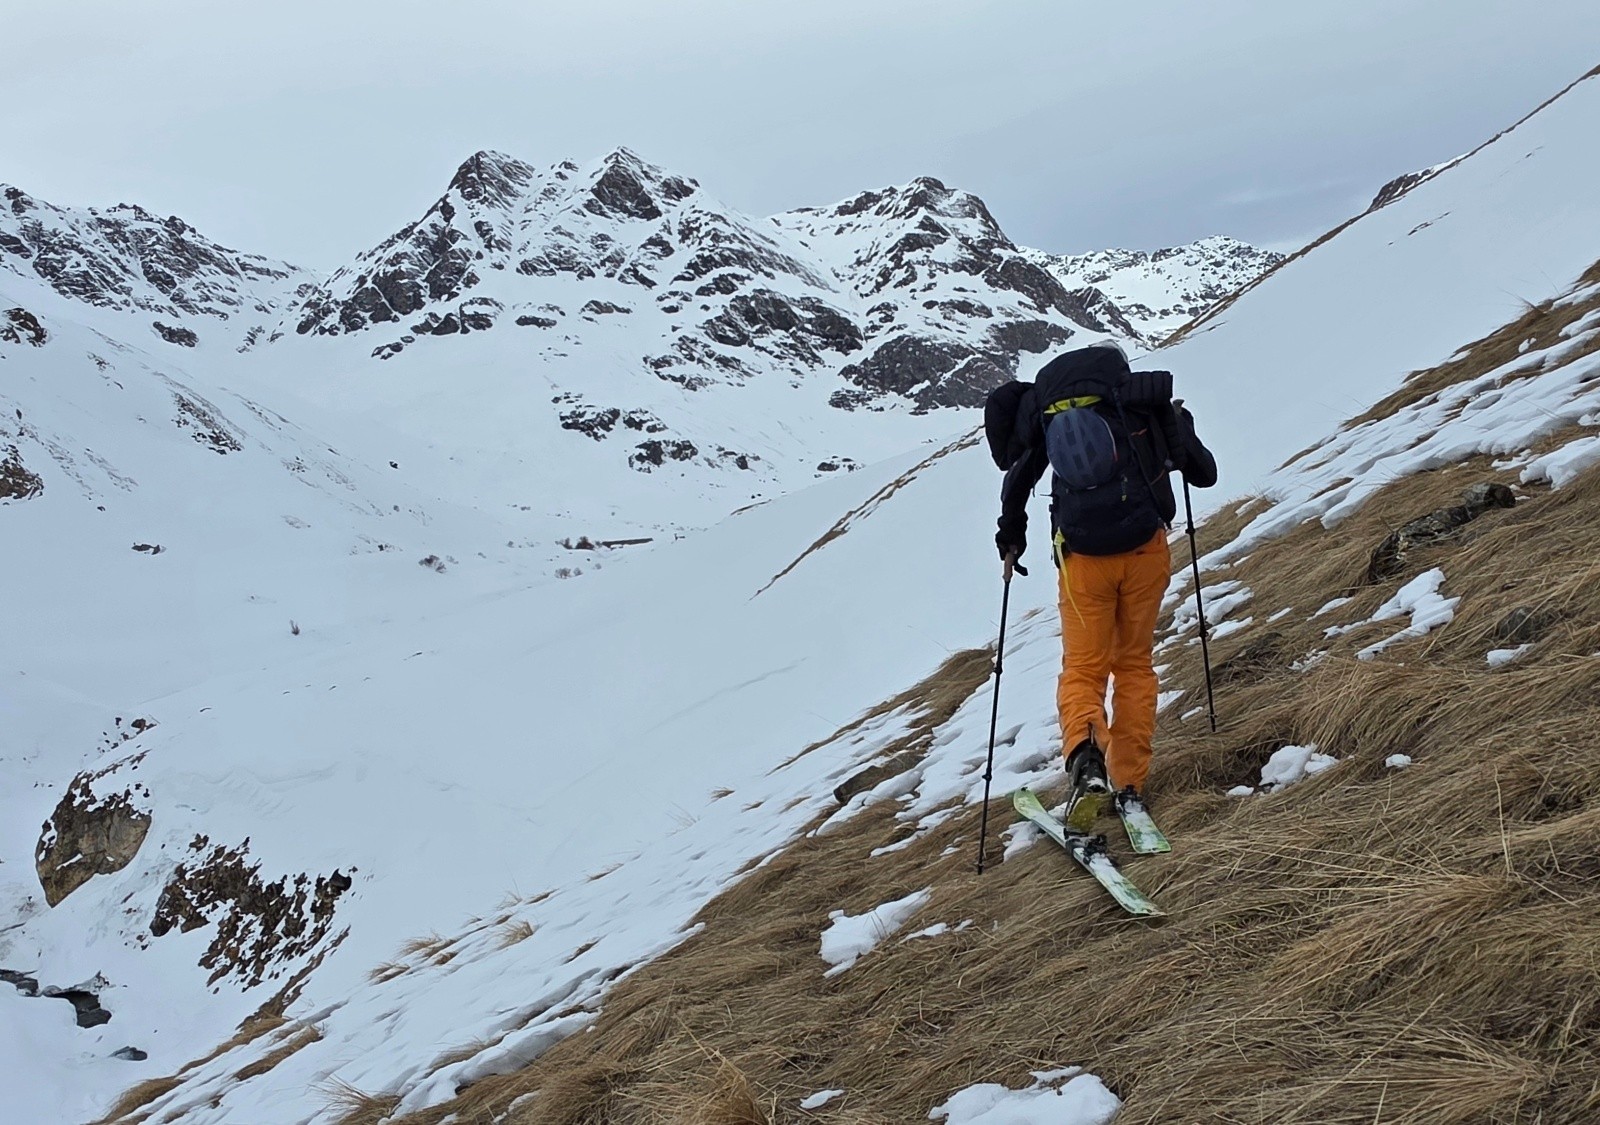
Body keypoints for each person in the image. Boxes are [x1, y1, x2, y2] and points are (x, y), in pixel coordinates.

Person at [993, 341, 1216, 829]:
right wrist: (1180, 426)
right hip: (1144, 553)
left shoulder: (1052, 416)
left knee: (1083, 669)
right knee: (1133, 665)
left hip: (1083, 562)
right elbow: (1205, 475)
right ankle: (1129, 783)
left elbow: (1017, 482)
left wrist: (1011, 539)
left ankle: (1086, 759)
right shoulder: (1139, 401)